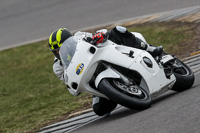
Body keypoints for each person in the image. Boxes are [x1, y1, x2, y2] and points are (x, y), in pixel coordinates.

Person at [48, 26, 163, 116]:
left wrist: (99, 35)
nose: (60, 53)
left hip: (105, 56)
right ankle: (116, 93)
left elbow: (96, 35)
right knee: (99, 110)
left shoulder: (79, 36)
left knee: (117, 31)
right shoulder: (57, 67)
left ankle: (150, 49)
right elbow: (68, 80)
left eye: (62, 48)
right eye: (56, 51)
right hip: (93, 78)